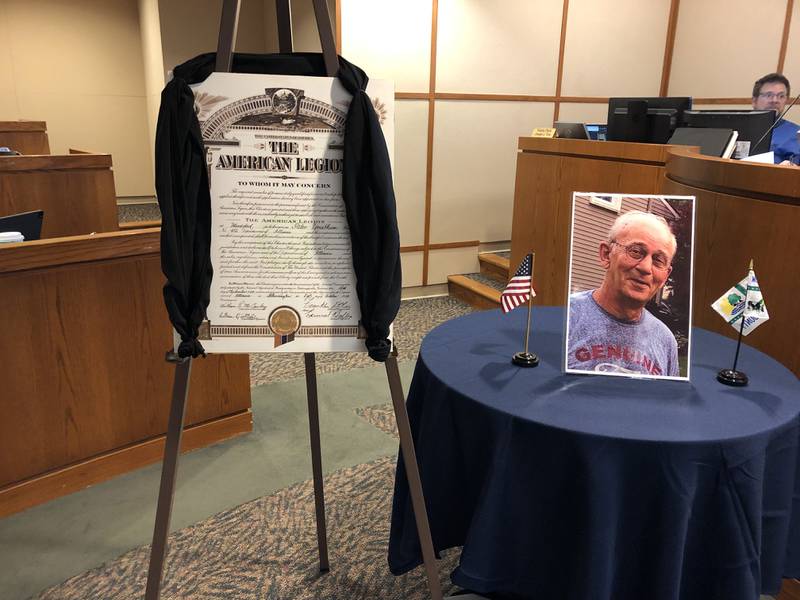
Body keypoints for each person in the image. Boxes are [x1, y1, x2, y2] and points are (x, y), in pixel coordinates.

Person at [567, 210, 679, 376]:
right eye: (635, 251)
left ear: (665, 276)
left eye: (658, 260)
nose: (646, 268)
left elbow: (671, 401)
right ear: (606, 255)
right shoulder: (566, 316)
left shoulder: (665, 340)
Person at [752, 72, 799, 164]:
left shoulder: (797, 134)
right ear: (754, 101)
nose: (775, 100)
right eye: (769, 95)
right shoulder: (738, 128)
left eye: (781, 96)